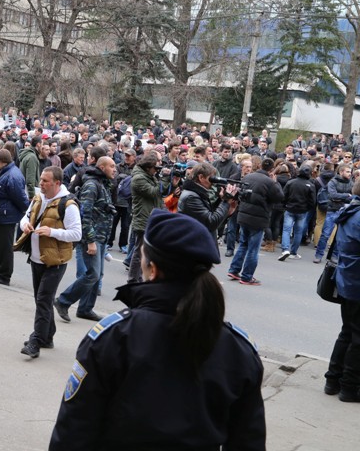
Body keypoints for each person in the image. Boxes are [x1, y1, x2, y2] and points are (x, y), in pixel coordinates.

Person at [49, 210, 265, 449]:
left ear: (152, 269)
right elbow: (248, 441)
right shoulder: (239, 350)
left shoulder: (114, 337)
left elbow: (73, 432)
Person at [16, 166, 81, 358]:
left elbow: (77, 233)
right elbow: (25, 217)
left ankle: (35, 342)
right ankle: (48, 337)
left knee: (43, 299)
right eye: (41, 180)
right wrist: (25, 225)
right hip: (37, 257)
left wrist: (52, 232)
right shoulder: (38, 197)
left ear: (57, 183)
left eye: (45, 181)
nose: (41, 184)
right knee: (40, 299)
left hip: (56, 261)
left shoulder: (68, 204)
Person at [53, 156, 116, 323]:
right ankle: (63, 301)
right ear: (102, 167)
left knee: (98, 274)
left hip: (101, 236)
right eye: (111, 166)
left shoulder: (102, 184)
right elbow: (84, 215)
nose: (115, 169)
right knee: (92, 274)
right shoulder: (91, 185)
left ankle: (85, 309)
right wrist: (90, 241)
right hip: (92, 237)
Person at [325, 179, 360, 402]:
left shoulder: (350, 210)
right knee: (357, 337)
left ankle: (333, 380)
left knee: (348, 331)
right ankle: (349, 387)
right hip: (356, 281)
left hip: (348, 279)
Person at [228, 158, 283, 286]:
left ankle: (234, 270)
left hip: (244, 215)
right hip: (258, 218)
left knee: (243, 244)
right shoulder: (270, 182)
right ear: (271, 170)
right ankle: (247, 276)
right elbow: (279, 197)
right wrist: (275, 182)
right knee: (253, 248)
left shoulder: (248, 177)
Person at [0, 149, 29, 285]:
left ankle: (4, 275)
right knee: (0, 246)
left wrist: (23, 213)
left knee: (5, 247)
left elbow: (21, 199)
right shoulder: (5, 173)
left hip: (6, 218)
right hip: (1, 216)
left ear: (1, 161)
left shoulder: (12, 176)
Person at [127, 151, 167, 283]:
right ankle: (133, 280)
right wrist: (165, 178)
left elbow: (160, 193)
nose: (157, 171)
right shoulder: (139, 178)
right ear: (148, 166)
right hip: (143, 219)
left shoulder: (149, 176)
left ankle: (138, 278)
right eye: (155, 168)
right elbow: (154, 192)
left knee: (145, 252)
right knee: (139, 253)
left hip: (149, 218)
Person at [177, 162, 237, 235]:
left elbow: (212, 218)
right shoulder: (191, 197)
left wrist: (226, 210)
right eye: (211, 179)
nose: (213, 183)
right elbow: (211, 223)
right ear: (201, 177)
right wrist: (225, 202)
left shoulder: (198, 193)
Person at [315, 164, 354, 263]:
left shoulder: (351, 183)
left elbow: (353, 197)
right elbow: (332, 195)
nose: (350, 174)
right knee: (325, 234)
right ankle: (319, 255)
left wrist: (342, 197)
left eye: (350, 172)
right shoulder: (333, 181)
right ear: (341, 172)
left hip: (344, 211)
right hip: (332, 210)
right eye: (348, 171)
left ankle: (334, 256)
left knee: (339, 236)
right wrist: (346, 195)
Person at [278, 164, 316, 261]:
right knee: (298, 232)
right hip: (302, 211)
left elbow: (284, 195)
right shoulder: (310, 185)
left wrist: (285, 205)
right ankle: (293, 252)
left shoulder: (291, 182)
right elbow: (312, 201)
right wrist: (306, 208)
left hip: (290, 209)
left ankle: (285, 249)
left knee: (286, 230)